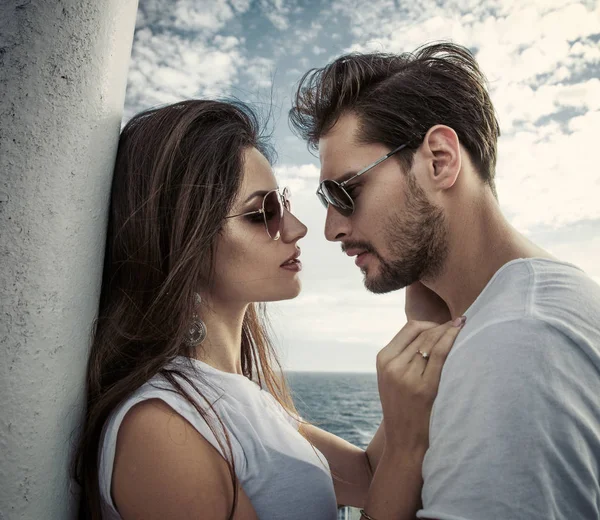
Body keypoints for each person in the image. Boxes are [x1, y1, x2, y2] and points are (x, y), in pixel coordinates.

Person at [71, 99, 464, 520]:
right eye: (264, 213)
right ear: (185, 242)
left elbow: (368, 478)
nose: (298, 229)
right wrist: (407, 444)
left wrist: (424, 323)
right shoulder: (162, 429)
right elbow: (390, 474)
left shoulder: (239, 396)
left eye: (285, 204)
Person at [290, 41, 600, 520]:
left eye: (346, 192)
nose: (331, 229)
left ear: (438, 159)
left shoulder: (512, 344)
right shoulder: (526, 307)